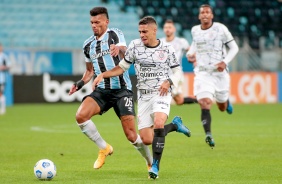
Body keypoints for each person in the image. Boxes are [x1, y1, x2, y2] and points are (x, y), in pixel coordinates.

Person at [92, 16, 191, 179]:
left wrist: (169, 81)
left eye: (145, 31)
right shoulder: (134, 46)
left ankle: (155, 167)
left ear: (154, 30)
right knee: (146, 139)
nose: (142, 35)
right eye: (139, 32)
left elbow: (178, 72)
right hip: (144, 96)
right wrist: (103, 75)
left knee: (159, 123)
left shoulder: (167, 48)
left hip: (161, 92)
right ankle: (174, 125)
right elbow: (122, 67)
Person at [68, 7, 153, 171]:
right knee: (81, 116)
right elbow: (89, 71)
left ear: (106, 22)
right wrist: (79, 84)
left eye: (97, 22)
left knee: (131, 135)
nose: (94, 25)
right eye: (92, 22)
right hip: (102, 91)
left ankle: (150, 162)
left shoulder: (115, 34)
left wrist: (118, 49)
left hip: (122, 89)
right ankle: (104, 148)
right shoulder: (88, 45)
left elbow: (125, 51)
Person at [187, 4, 239, 148]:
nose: (204, 14)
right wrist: (189, 55)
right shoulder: (195, 30)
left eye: (207, 12)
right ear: (199, 16)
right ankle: (208, 134)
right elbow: (194, 47)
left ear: (212, 15)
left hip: (220, 73)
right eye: (202, 12)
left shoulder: (221, 29)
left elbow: (234, 48)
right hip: (202, 72)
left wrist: (225, 62)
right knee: (204, 102)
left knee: (221, 107)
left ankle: (226, 102)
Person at [160, 19, 198, 105]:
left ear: (174, 29)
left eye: (169, 27)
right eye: (165, 27)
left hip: (176, 74)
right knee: (179, 101)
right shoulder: (160, 42)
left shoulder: (181, 42)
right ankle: (199, 99)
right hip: (163, 74)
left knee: (163, 97)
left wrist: (195, 61)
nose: (167, 29)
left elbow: (191, 52)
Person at [0, 43, 11, 115]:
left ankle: (3, 108)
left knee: (1, 93)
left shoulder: (4, 57)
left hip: (1, 78)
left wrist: (4, 67)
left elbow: (9, 65)